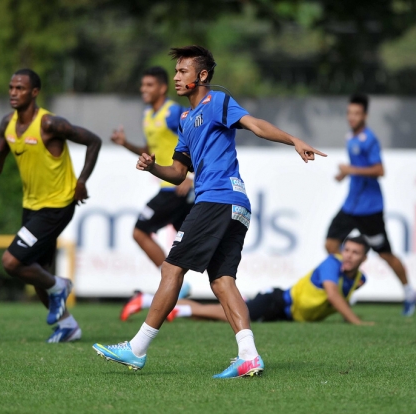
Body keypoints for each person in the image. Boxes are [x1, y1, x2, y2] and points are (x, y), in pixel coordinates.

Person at [92, 45, 326, 378]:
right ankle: (249, 356)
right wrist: (152, 167)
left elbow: (255, 124)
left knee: (172, 268)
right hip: (235, 205)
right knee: (222, 281)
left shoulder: (217, 101)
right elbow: (178, 173)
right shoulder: (185, 120)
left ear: (202, 75)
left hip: (218, 200)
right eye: (175, 71)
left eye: (182, 71)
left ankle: (137, 348)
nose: (176, 77)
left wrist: (293, 140)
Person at [0, 69, 101, 342]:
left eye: (20, 88)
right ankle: (68, 326)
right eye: (11, 87)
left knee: (12, 261)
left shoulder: (49, 123)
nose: (14, 92)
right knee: (37, 271)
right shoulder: (7, 124)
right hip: (31, 206)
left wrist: (82, 181)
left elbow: (93, 141)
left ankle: (60, 286)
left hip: (57, 206)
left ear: (34, 92)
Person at [110, 67, 192, 322]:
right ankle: (229, 292)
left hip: (175, 188)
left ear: (162, 88)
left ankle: (175, 284)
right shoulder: (148, 115)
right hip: (168, 187)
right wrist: (125, 144)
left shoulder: (173, 113)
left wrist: (192, 177)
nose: (143, 89)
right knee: (196, 245)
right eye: (142, 85)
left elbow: (197, 141)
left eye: (149, 85)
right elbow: (149, 150)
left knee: (140, 230)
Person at [325, 93, 416, 316]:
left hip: (369, 209)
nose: (352, 117)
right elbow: (359, 166)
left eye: (357, 113)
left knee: (385, 254)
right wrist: (345, 175)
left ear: (365, 116)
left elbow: (379, 170)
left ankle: (409, 292)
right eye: (349, 113)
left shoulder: (370, 139)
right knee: (331, 245)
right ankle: (350, 283)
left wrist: (350, 170)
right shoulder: (350, 137)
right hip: (350, 205)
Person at [167, 236, 374, 325]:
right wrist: (356, 322)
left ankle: (180, 308)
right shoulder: (332, 264)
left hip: (286, 314)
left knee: (224, 317)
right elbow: (333, 295)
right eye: (347, 250)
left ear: (364, 259)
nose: (348, 256)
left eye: (355, 253)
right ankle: (174, 306)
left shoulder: (359, 279)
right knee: (235, 315)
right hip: (277, 302)